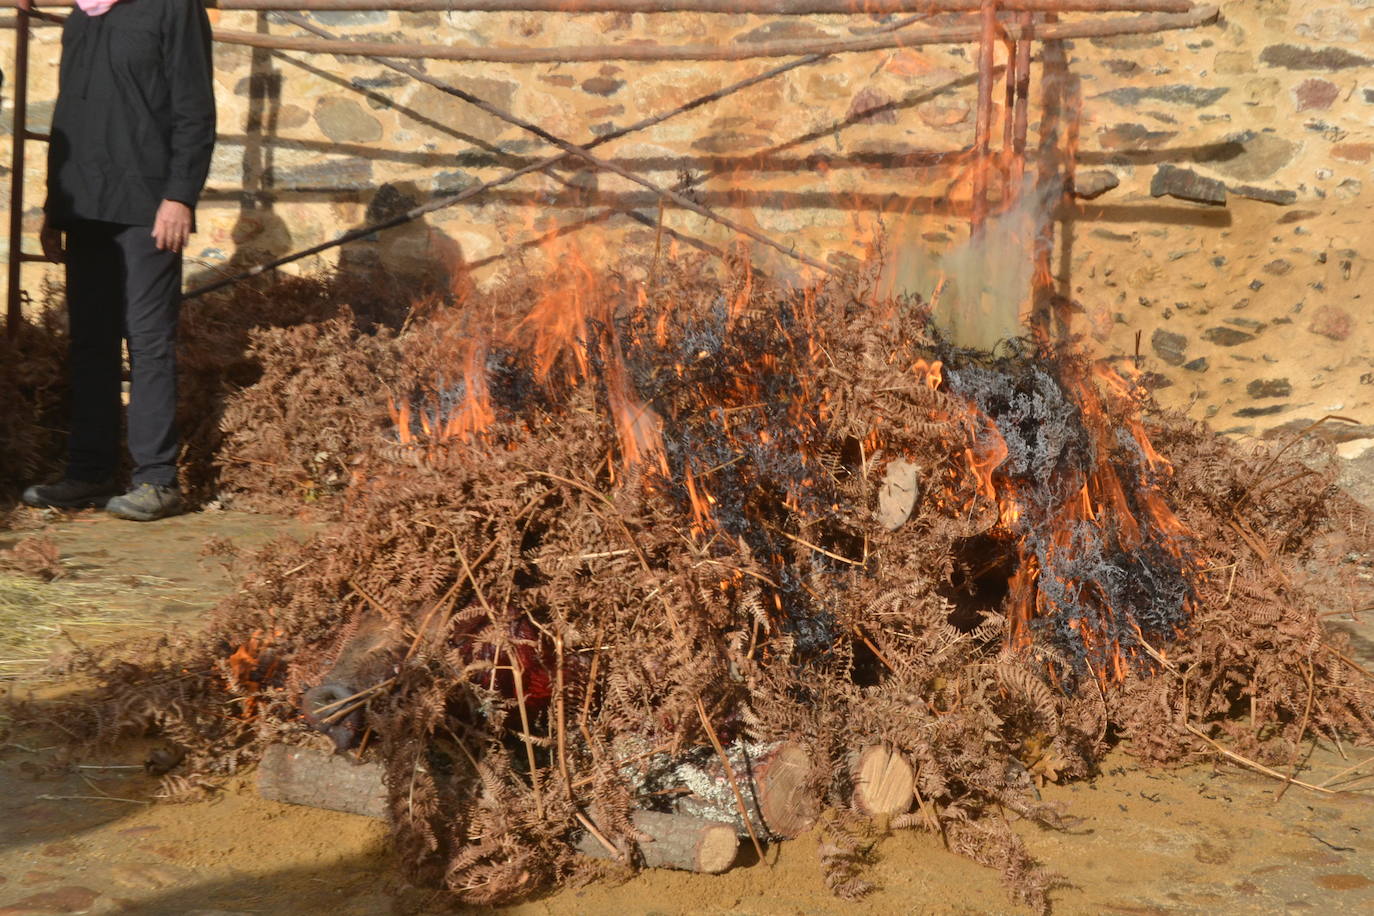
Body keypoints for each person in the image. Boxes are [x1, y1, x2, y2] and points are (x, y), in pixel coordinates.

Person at [21, 0, 216, 521]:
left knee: (149, 340)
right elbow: (69, 117)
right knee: (90, 344)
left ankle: (158, 481)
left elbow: (195, 107)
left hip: (148, 205)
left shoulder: (173, 9)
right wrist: (54, 210)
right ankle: (88, 473)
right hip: (85, 206)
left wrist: (180, 196)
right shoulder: (82, 17)